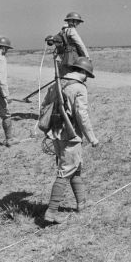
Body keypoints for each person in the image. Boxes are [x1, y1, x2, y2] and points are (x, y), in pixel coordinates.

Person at [42, 57, 99, 224]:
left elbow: (44, 106)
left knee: (75, 167)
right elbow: (82, 116)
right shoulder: (78, 87)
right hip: (71, 135)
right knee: (66, 170)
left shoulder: (56, 84)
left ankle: (82, 202)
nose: (87, 77)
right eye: (87, 73)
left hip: (56, 133)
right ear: (82, 72)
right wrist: (92, 138)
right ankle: (51, 211)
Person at [52, 12, 91, 77]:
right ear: (72, 21)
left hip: (63, 58)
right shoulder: (72, 31)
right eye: (77, 21)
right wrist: (87, 57)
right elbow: (80, 44)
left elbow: (55, 39)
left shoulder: (63, 31)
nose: (78, 23)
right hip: (72, 58)